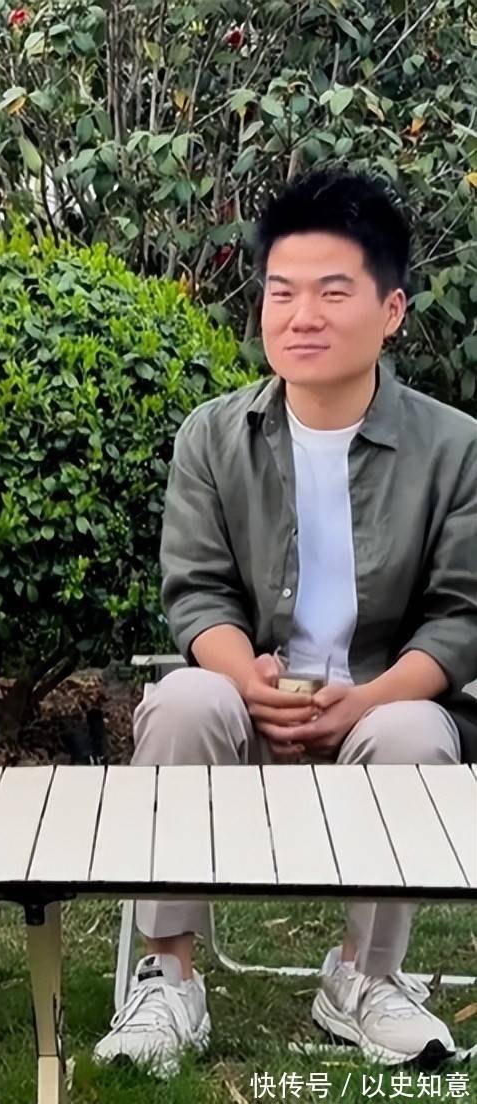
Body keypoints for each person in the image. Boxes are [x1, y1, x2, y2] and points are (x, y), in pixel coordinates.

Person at [94, 169, 477, 1078]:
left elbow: (463, 614)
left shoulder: (455, 448)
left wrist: (367, 699)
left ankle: (366, 978)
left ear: (391, 311)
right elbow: (197, 592)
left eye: (332, 293)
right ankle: (168, 975)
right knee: (182, 701)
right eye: (281, 292)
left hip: (381, 708)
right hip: (252, 702)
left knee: (414, 731)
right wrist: (245, 679)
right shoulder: (213, 436)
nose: (302, 316)